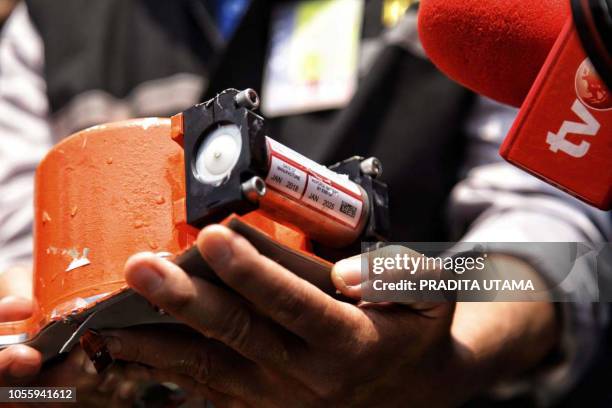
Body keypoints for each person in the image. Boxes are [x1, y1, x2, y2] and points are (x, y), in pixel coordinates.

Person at [0, 0, 609, 406]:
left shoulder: (488, 15)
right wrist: (43, 388)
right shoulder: (47, 20)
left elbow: (565, 250)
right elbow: (23, 265)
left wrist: (451, 348)